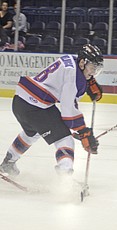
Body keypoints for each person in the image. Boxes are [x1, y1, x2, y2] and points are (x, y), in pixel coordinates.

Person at [0, 44, 103, 178]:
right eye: (92, 68)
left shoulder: (71, 60)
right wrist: (83, 131)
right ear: (83, 62)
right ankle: (64, 178)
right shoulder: (74, 76)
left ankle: (8, 162)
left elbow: (65, 88)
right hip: (36, 107)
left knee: (32, 132)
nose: (93, 72)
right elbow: (68, 110)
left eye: (97, 69)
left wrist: (88, 82)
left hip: (20, 102)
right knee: (65, 139)